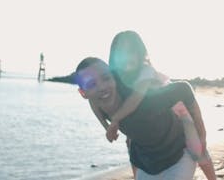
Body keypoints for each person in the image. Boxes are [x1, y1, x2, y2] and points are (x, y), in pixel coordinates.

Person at [105, 31, 216, 180]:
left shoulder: (146, 73)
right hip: (147, 131)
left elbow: (137, 98)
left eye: (130, 51)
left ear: (140, 54)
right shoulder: (113, 82)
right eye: (120, 52)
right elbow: (94, 99)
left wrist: (202, 136)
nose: (126, 56)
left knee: (197, 148)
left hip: (178, 114)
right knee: (132, 144)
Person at [75, 57, 204, 179]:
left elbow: (183, 89)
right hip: (148, 163)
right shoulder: (97, 102)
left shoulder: (143, 100)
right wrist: (107, 127)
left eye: (106, 78)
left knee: (203, 158)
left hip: (179, 153)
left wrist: (202, 135)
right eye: (92, 84)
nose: (102, 87)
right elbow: (94, 106)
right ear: (83, 93)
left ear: (114, 78)